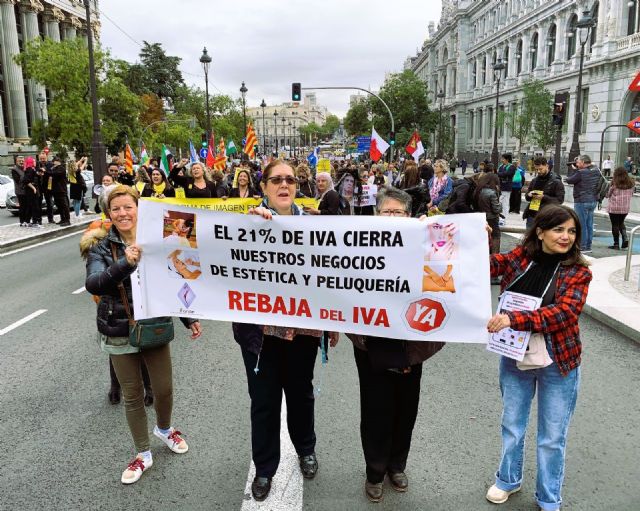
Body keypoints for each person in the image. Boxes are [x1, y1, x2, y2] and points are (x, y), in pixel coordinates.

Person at [233, 160, 338, 501]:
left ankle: (305, 449)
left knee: (300, 393)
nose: (283, 184)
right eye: (276, 180)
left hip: (302, 331)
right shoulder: (243, 222)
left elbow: (331, 276)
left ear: (297, 185)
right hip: (259, 336)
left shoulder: (314, 225)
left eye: (290, 180)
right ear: (263, 186)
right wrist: (250, 227)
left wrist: (332, 321)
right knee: (263, 402)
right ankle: (264, 469)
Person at [85, 185, 202, 484]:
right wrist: (126, 262)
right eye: (116, 209)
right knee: (133, 395)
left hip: (154, 323)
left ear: (139, 208)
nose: (123, 213)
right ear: (109, 214)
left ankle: (164, 429)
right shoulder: (101, 247)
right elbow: (95, 283)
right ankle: (142, 454)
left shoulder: (159, 239)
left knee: (163, 389)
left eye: (128, 207)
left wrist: (190, 319)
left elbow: (176, 277)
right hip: (118, 329)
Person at [485, 204, 592, 511]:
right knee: (512, 425)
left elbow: (565, 313)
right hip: (514, 356)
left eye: (571, 231)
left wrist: (513, 319)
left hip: (559, 362)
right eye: (559, 229)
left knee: (552, 436)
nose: (566, 237)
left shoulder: (579, 271)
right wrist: (474, 240)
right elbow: (485, 267)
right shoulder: (521, 257)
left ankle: (548, 497)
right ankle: (507, 480)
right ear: (541, 231)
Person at [347, 187, 444, 503]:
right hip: (371, 343)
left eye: (398, 213)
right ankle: (374, 471)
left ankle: (396, 466)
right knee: (376, 410)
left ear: (409, 217)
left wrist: (476, 237)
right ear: (377, 215)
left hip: (411, 344)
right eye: (386, 212)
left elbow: (456, 270)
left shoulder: (427, 246)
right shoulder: (357, 247)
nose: (391, 218)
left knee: (406, 410)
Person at [566, 155, 601, 253]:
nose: (576, 164)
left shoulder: (580, 172)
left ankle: (583, 246)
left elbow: (570, 180)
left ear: (583, 162)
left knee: (582, 224)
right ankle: (588, 245)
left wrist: (574, 170)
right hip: (593, 200)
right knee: (589, 224)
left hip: (582, 200)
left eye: (578, 162)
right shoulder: (596, 170)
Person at [523, 157, 565, 229]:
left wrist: (543, 197)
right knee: (530, 238)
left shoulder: (556, 181)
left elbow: (559, 200)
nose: (538, 171)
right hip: (532, 215)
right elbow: (527, 197)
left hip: (547, 215)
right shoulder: (534, 180)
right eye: (536, 169)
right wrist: (529, 195)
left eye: (540, 169)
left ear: (547, 166)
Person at [605, 166, 635, 249]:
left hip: (614, 208)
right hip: (625, 208)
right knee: (621, 223)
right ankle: (625, 238)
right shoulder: (631, 184)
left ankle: (616, 244)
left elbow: (608, 194)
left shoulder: (614, 183)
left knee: (615, 225)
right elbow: (631, 194)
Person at [474, 172, 502, 255]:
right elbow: (496, 209)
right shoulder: (492, 193)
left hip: (482, 217)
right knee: (495, 236)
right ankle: (495, 257)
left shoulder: (478, 190)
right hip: (492, 218)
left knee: (484, 238)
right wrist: (500, 204)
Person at [45, 155, 71, 226]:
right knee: (59, 205)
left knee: (64, 205)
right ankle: (62, 219)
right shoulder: (53, 169)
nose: (54, 163)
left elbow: (55, 174)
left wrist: (46, 172)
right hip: (55, 190)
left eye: (55, 161)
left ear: (59, 162)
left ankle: (67, 220)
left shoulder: (61, 168)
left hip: (61, 190)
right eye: (53, 162)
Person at [21, 157, 43, 228]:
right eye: (33, 161)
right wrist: (33, 188)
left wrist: (38, 174)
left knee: (30, 206)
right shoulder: (30, 169)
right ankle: (34, 223)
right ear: (30, 162)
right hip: (31, 191)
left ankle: (27, 221)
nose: (35, 162)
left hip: (30, 191)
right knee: (35, 206)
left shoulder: (30, 169)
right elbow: (26, 181)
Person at [11, 155, 28, 226]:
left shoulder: (25, 168)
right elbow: (18, 180)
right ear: (16, 162)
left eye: (22, 161)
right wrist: (26, 177)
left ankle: (27, 221)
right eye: (19, 161)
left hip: (27, 190)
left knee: (27, 206)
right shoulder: (14, 170)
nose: (21, 162)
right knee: (22, 207)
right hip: (20, 191)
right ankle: (22, 221)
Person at [497, 154, 516, 218]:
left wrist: (499, 174)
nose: (501, 160)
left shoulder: (512, 166)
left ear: (507, 159)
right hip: (500, 186)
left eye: (503, 159)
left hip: (507, 187)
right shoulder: (501, 166)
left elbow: (507, 174)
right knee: (500, 201)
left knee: (505, 202)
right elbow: (500, 174)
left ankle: (505, 216)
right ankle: (501, 215)